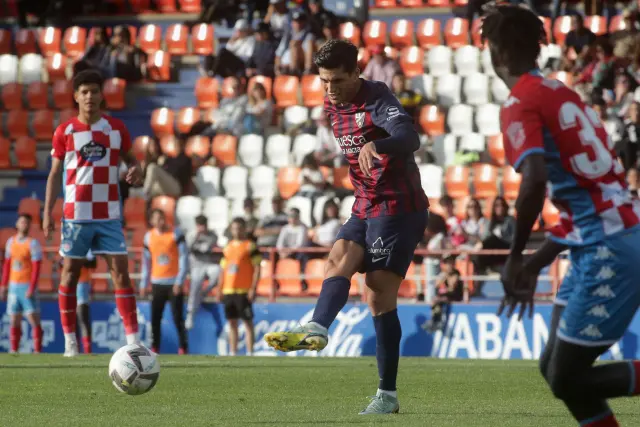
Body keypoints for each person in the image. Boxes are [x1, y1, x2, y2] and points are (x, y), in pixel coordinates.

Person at [483, 5, 640, 427]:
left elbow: (534, 180)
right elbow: (587, 194)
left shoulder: (519, 102)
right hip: (607, 234)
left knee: (567, 377)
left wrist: (515, 256)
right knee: (554, 369)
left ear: (495, 51)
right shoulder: (563, 93)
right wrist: (534, 263)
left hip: (608, 245)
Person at [264, 39, 428, 415]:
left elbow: (411, 137)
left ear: (357, 72)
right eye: (324, 81)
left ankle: (387, 396)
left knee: (377, 294)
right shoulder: (331, 104)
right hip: (365, 202)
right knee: (337, 258)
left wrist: (379, 145)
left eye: (337, 80)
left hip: (399, 207)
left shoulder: (378, 98)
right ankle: (317, 328)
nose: (330, 89)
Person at [43, 69, 142, 357]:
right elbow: (54, 174)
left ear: (101, 95)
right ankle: (70, 342)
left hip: (108, 215)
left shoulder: (116, 129)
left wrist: (137, 169)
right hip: (75, 216)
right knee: (70, 275)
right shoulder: (65, 131)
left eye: (94, 91)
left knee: (121, 274)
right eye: (84, 92)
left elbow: (133, 161)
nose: (89, 96)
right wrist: (47, 212)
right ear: (76, 96)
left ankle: (134, 343)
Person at [140, 209, 189, 354]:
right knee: (155, 318)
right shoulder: (148, 237)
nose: (160, 221)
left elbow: (184, 257)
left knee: (178, 317)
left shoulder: (175, 233)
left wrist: (179, 281)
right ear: (152, 221)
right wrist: (144, 283)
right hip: (157, 283)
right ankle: (155, 348)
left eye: (162, 218)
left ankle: (183, 348)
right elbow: (146, 262)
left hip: (173, 283)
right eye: (157, 218)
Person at [217, 217, 261, 356]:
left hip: (243, 290)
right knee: (232, 322)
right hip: (229, 289)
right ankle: (233, 352)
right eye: (234, 228)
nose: (237, 231)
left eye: (239, 228)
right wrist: (219, 288)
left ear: (244, 229)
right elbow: (223, 269)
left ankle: (250, 352)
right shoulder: (227, 247)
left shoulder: (250, 246)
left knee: (247, 322)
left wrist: (253, 288)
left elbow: (257, 267)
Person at [0, 214, 43, 354]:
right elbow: (7, 265)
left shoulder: (33, 244)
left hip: (26, 285)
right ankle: (14, 350)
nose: (24, 224)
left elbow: (36, 267)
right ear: (17, 224)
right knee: (14, 319)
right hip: (13, 286)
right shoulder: (11, 242)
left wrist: (32, 287)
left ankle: (37, 350)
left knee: (33, 318)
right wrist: (3, 285)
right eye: (22, 222)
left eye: (27, 223)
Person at [186, 215, 221, 330]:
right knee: (195, 285)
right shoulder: (191, 235)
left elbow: (209, 245)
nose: (202, 227)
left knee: (218, 272)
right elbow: (188, 248)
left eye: (204, 224)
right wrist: (196, 237)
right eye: (199, 225)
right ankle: (190, 313)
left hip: (208, 263)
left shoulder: (212, 235)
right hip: (196, 266)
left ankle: (204, 293)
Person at [76, 252, 96, 354]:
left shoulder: (86, 248)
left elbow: (93, 263)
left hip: (82, 283)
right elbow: (61, 263)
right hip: (69, 284)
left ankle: (87, 349)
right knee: (73, 320)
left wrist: (78, 260)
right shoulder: (66, 245)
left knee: (82, 317)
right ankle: (75, 348)